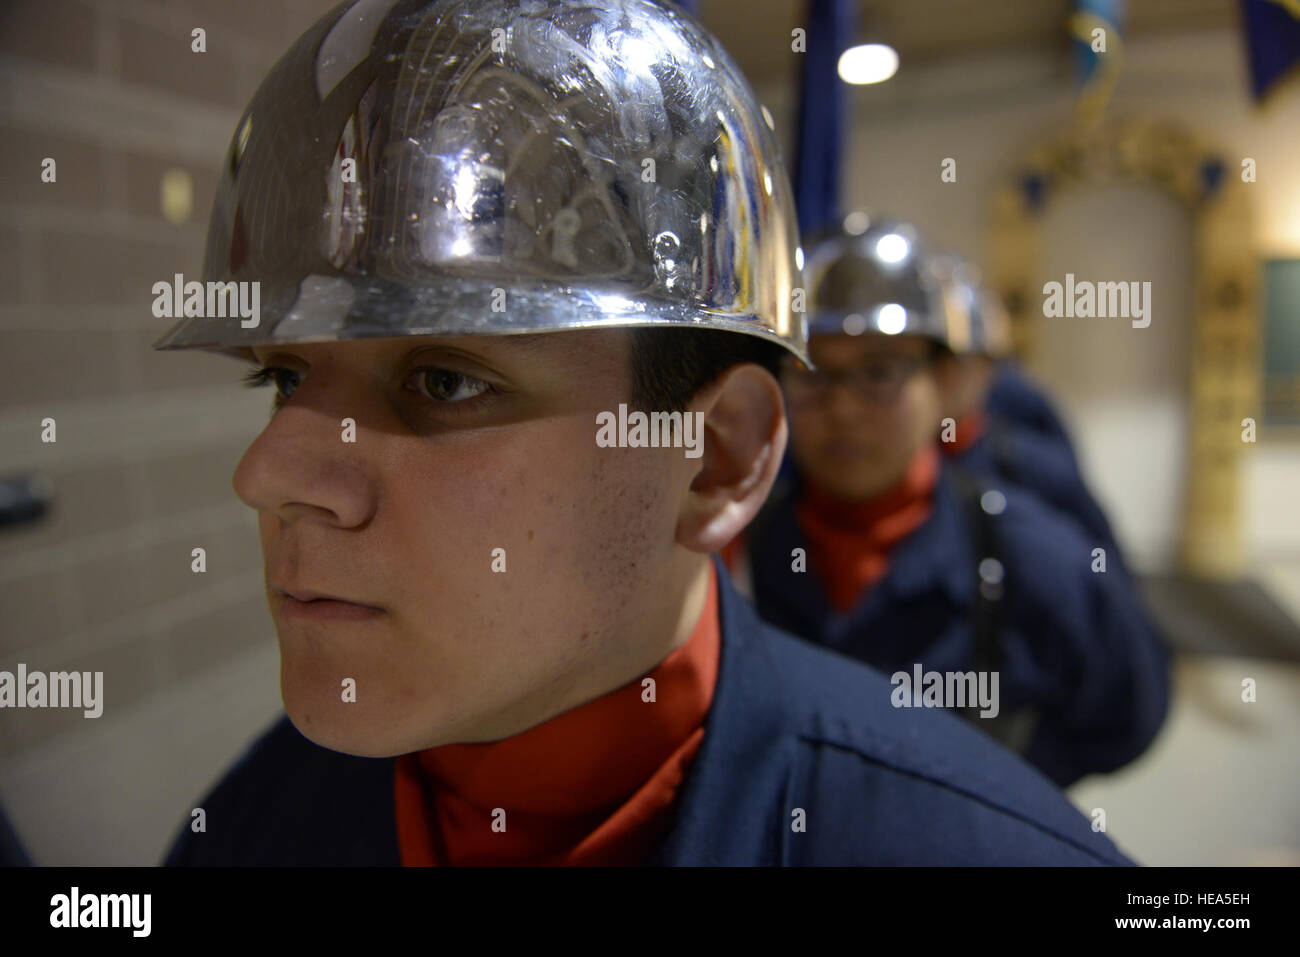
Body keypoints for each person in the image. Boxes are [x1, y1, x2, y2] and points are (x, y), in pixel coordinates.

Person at [154, 0, 1131, 865]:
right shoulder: (253, 825)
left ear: (716, 461)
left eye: (444, 381)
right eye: (283, 378)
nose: (267, 471)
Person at [729, 214, 1169, 788]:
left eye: (879, 372)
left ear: (944, 382)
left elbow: (1129, 715)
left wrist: (1004, 793)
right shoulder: (740, 550)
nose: (842, 408)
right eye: (812, 374)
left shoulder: (1032, 557)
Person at [934, 259, 1129, 572]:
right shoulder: (873, 468)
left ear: (987, 366)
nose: (939, 379)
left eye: (954, 361)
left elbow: (1101, 579)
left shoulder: (1033, 462)